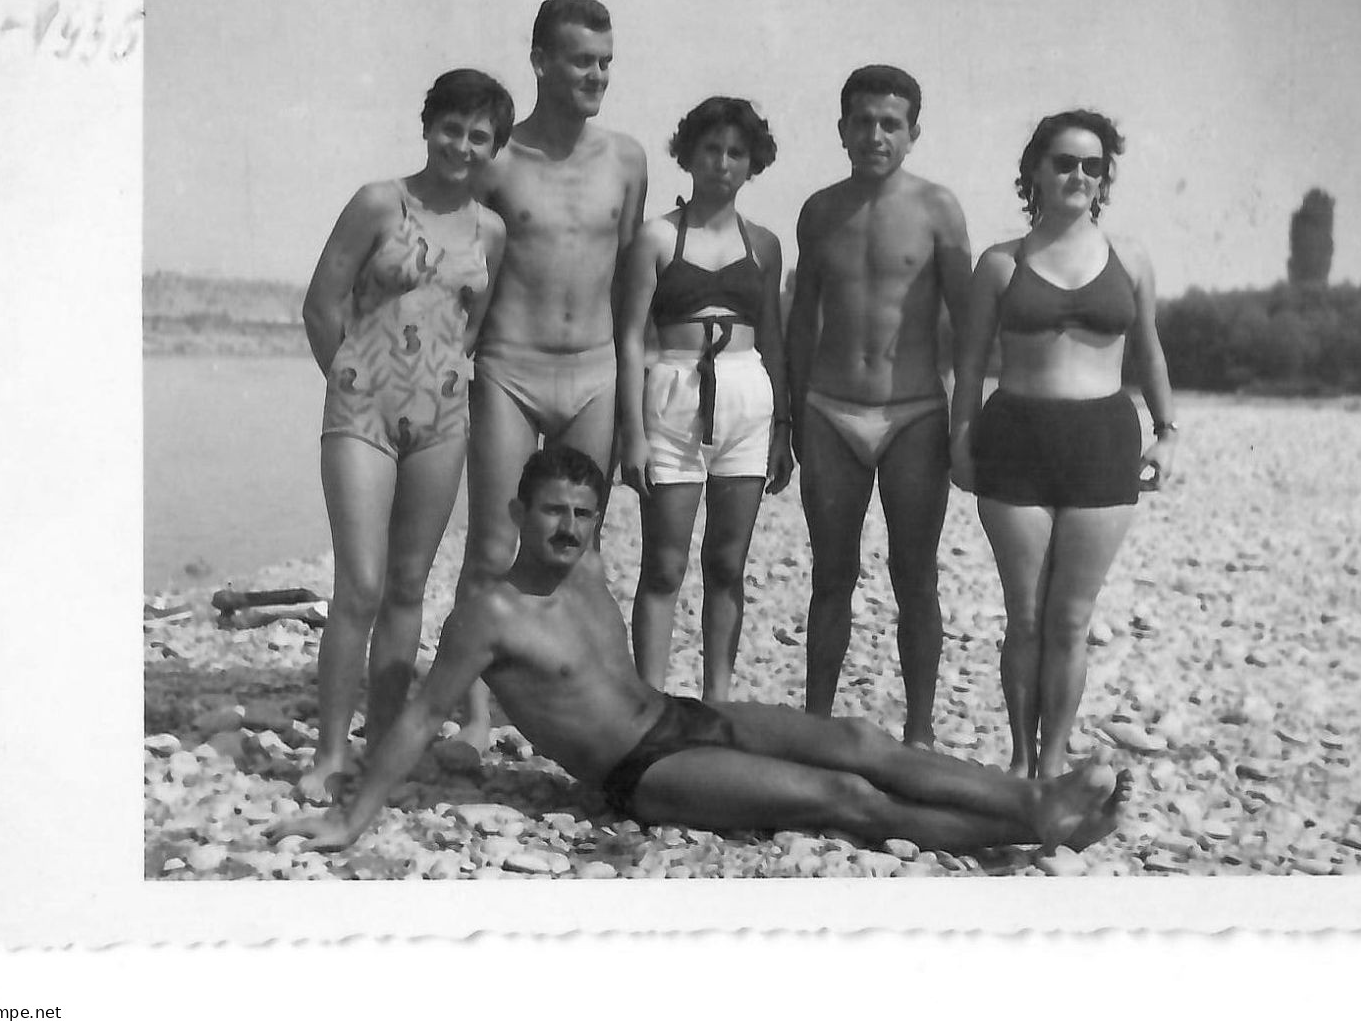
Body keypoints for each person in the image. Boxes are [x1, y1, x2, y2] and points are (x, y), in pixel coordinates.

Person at [272, 447, 1131, 856]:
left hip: (680, 714)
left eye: (582, 513)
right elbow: (424, 714)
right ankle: (1028, 826)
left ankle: (1033, 796)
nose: (569, 527)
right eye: (551, 512)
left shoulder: (588, 571)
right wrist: (353, 816)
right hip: (637, 774)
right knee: (843, 799)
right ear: (515, 514)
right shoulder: (489, 613)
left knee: (863, 743)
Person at [297, 69, 513, 802]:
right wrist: (347, 378)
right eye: (450, 127)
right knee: (357, 585)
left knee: (408, 588)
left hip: (442, 420)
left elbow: (469, 328)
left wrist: (440, 386)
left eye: (478, 135)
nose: (461, 144)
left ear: (493, 148)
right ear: (428, 126)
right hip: (361, 411)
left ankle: (383, 744)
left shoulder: (491, 230)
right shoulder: (378, 202)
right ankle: (330, 754)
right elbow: (321, 302)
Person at [949, 109, 1179, 779]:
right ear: (1035, 174)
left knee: (1071, 619)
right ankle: (1020, 764)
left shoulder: (1130, 258)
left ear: (1104, 176)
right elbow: (968, 364)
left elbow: (1150, 353)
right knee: (1023, 618)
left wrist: (1167, 433)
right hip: (1014, 441)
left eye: (1091, 164)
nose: (1077, 175)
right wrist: (961, 438)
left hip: (1102, 444)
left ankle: (1052, 765)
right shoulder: (999, 263)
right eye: (1063, 163)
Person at [454, 0, 649, 748]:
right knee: (491, 546)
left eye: (605, 62)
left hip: (595, 370)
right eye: (580, 61)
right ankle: (472, 713)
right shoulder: (497, 161)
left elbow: (631, 276)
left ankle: (601, 701)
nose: (596, 75)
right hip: (510, 367)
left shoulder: (625, 160)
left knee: (585, 548)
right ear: (539, 60)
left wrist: (634, 406)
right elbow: (457, 249)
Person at [785, 65, 972, 748]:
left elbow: (969, 317)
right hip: (830, 410)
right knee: (830, 573)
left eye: (890, 123)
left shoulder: (937, 209)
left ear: (912, 132)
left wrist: (967, 415)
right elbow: (800, 317)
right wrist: (790, 415)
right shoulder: (818, 211)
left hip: (914, 412)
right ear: (841, 130)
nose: (874, 134)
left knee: (913, 574)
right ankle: (814, 727)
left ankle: (918, 732)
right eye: (861, 121)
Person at [616, 97, 792, 701]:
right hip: (673, 391)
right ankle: (649, 700)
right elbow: (628, 338)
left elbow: (773, 338)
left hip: (747, 394)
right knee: (663, 565)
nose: (722, 162)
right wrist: (630, 431)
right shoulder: (657, 237)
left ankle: (717, 700)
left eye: (736, 153)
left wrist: (783, 428)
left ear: (752, 164)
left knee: (726, 565)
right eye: (711, 149)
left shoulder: (764, 245)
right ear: (688, 154)